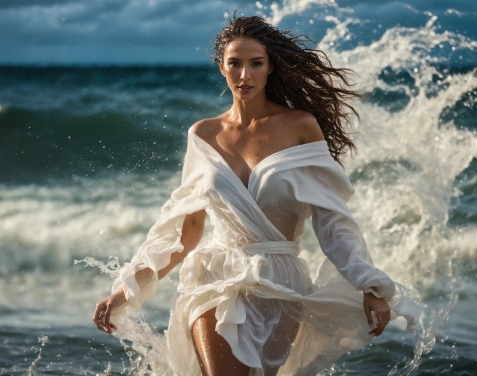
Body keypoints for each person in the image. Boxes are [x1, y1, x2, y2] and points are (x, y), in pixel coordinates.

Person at [93, 14, 420, 376]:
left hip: (280, 280)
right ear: (222, 67)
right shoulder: (204, 135)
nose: (244, 75)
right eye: (235, 64)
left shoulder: (301, 127)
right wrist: (125, 291)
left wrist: (368, 284)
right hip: (216, 276)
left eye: (255, 64)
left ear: (270, 68)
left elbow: (331, 221)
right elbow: (185, 234)